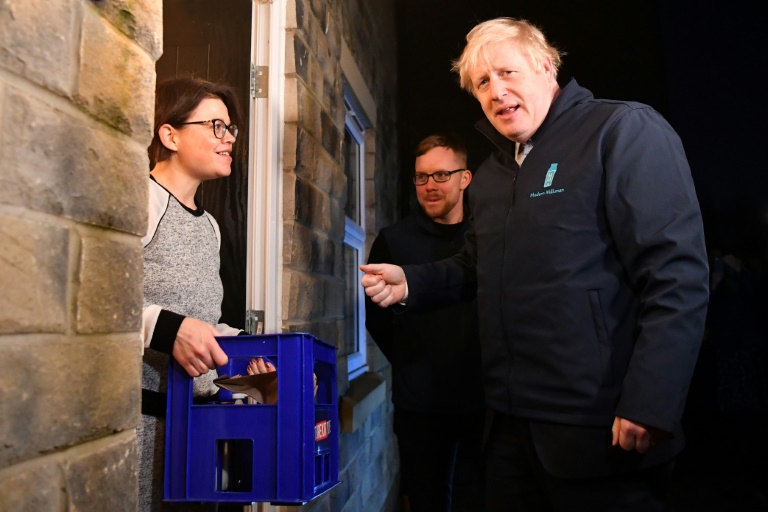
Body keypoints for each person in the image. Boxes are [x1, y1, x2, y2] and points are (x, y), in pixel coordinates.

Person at [362, 18, 709, 512]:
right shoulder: (492, 174)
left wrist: (652, 401)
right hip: (508, 428)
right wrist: (409, 282)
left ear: (546, 65)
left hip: (600, 428)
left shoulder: (621, 130)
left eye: (507, 72)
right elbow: (474, 265)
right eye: (482, 82)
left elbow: (677, 276)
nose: (496, 91)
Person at [140, 77, 273, 511]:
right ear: (170, 135)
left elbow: (202, 324)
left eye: (230, 128)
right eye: (216, 126)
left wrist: (259, 355)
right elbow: (93, 302)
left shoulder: (210, 227)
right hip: (140, 428)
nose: (229, 138)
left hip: (196, 432)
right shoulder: (140, 200)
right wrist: (168, 330)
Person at [365, 134, 485, 512]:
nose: (430, 185)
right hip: (421, 405)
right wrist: (413, 361)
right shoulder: (393, 241)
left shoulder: (488, 238)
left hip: (485, 401)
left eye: (441, 175)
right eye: (421, 177)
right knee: (427, 501)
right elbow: (377, 320)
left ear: (465, 178)